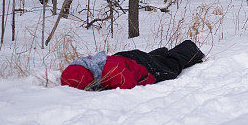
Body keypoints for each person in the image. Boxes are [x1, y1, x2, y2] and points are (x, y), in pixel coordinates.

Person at [61, 40, 205, 90]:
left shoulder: (113, 73)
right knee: (155, 59)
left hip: (145, 66)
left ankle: (190, 48)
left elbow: (128, 86)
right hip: (127, 57)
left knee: (172, 67)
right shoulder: (88, 66)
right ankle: (160, 54)